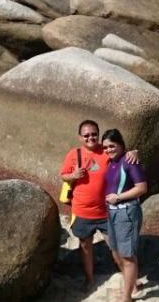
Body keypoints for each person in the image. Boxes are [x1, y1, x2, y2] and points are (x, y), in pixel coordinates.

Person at [58, 120, 139, 291]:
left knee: (115, 247)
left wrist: (135, 152)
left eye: (94, 134)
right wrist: (73, 175)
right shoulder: (74, 154)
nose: (91, 137)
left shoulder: (106, 150)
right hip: (82, 211)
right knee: (86, 247)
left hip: (106, 212)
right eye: (86, 135)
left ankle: (129, 277)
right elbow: (63, 175)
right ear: (80, 137)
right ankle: (89, 279)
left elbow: (123, 155)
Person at [101, 128, 147, 302]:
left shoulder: (129, 162)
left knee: (127, 256)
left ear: (121, 145)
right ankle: (133, 285)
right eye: (105, 147)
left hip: (126, 212)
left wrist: (119, 197)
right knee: (115, 252)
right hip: (111, 212)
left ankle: (126, 297)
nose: (108, 150)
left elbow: (142, 188)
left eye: (112, 146)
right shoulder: (111, 161)